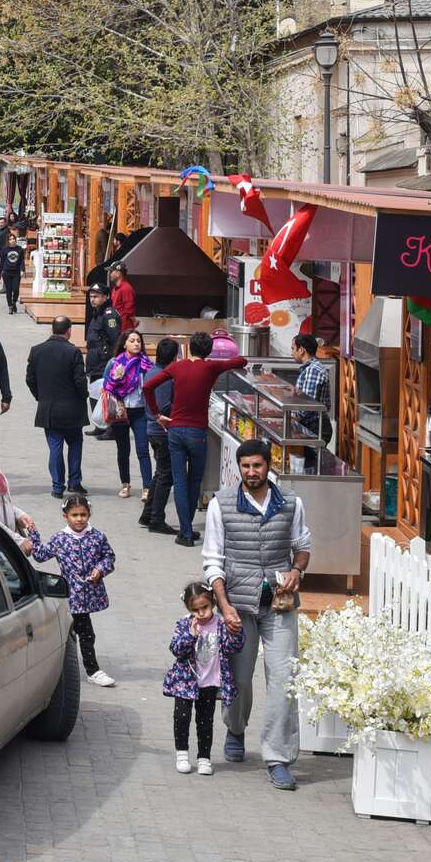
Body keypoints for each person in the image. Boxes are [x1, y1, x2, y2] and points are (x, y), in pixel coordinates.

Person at [203, 438, 311, 790]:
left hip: (279, 602)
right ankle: (235, 728)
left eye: (258, 466)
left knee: (283, 679)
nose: (252, 472)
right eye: (246, 467)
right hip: (238, 603)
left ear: (269, 465)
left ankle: (278, 757)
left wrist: (297, 571)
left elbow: (303, 546)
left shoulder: (291, 503)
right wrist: (225, 605)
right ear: (239, 468)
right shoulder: (221, 504)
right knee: (240, 676)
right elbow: (213, 559)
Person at [142, 332, 247, 546]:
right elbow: (242, 361)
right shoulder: (211, 367)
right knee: (194, 481)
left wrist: (157, 415)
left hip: (175, 430)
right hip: (198, 432)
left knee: (179, 482)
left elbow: (147, 387)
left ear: (189, 347)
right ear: (208, 350)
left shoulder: (176, 367)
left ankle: (186, 533)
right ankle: (187, 529)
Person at [26, 495, 119, 687]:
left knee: (78, 632)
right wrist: (33, 534)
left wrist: (100, 570)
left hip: (90, 593)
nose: (79, 519)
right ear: (65, 515)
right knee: (85, 633)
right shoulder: (60, 539)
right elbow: (41, 555)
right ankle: (92, 670)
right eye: (74, 515)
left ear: (89, 514)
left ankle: (68, 668)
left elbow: (109, 557)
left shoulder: (97, 536)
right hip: (71, 595)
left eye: (83, 515)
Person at [164, 581, 244, 777]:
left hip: (210, 681)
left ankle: (204, 758)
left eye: (205, 607)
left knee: (205, 721)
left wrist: (237, 630)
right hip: (186, 681)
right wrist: (191, 635)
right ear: (189, 609)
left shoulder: (220, 624)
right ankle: (182, 754)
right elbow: (176, 649)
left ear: (213, 604)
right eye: (196, 609)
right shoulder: (185, 623)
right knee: (181, 717)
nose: (201, 613)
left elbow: (234, 647)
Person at [25, 316, 91, 500]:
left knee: (55, 447)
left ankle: (57, 486)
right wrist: (84, 395)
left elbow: (29, 379)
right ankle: (74, 482)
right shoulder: (73, 352)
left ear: (52, 329)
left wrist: (41, 397)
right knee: (75, 444)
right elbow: (79, 380)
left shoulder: (37, 350)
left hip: (49, 409)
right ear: (69, 330)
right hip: (72, 409)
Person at [102, 330, 157, 500]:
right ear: (124, 343)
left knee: (142, 449)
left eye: (138, 341)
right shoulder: (115, 362)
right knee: (123, 449)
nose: (136, 344)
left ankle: (147, 487)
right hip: (120, 410)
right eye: (132, 340)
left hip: (140, 411)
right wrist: (116, 379)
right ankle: (125, 484)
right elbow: (105, 385)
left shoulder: (146, 364)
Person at [139, 338, 182, 533]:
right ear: (174, 356)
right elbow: (164, 406)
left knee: (161, 472)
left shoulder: (152, 372)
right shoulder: (164, 377)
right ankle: (156, 517)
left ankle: (148, 513)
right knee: (166, 475)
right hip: (161, 431)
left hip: (153, 429)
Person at [0, 232, 27, 314]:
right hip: (6, 272)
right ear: (8, 241)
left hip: (16, 272)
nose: (12, 241)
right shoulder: (5, 249)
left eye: (13, 239)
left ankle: (14, 302)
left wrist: (22, 270)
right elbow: (2, 262)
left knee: (16, 290)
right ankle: (10, 306)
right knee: (9, 290)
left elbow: (21, 261)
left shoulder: (19, 249)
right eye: (10, 239)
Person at [107, 262, 137, 331]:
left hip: (124, 329)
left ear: (118, 273)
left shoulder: (126, 288)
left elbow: (130, 311)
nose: (110, 274)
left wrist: (134, 321)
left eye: (111, 271)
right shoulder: (115, 289)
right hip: (116, 326)